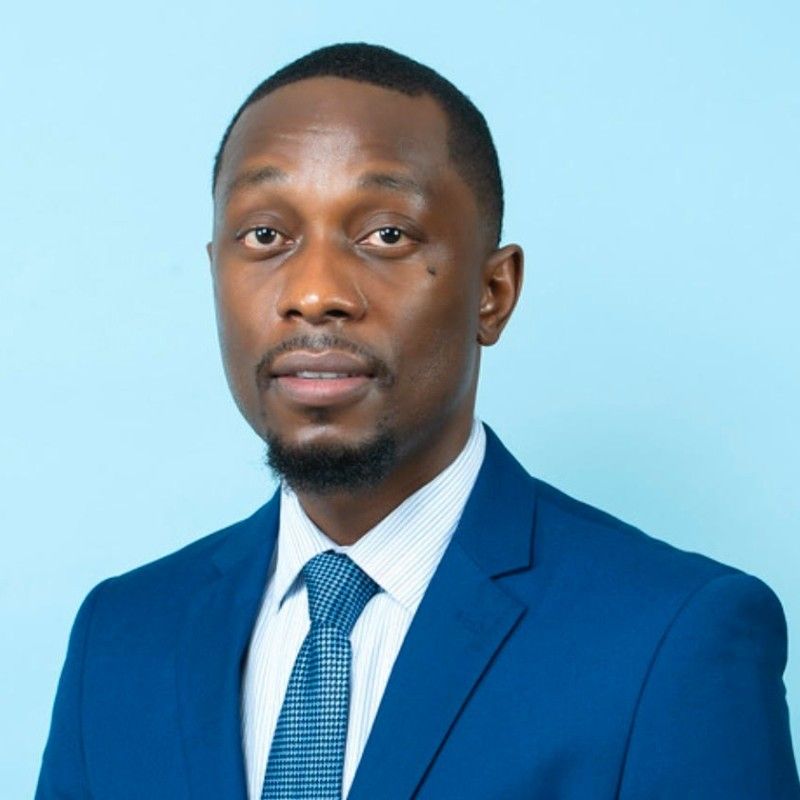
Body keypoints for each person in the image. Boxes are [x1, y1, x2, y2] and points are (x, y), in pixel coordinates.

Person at [37, 42, 799, 800]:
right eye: (266, 236)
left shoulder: (672, 641)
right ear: (215, 276)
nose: (314, 293)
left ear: (493, 293)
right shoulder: (122, 636)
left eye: (387, 235)